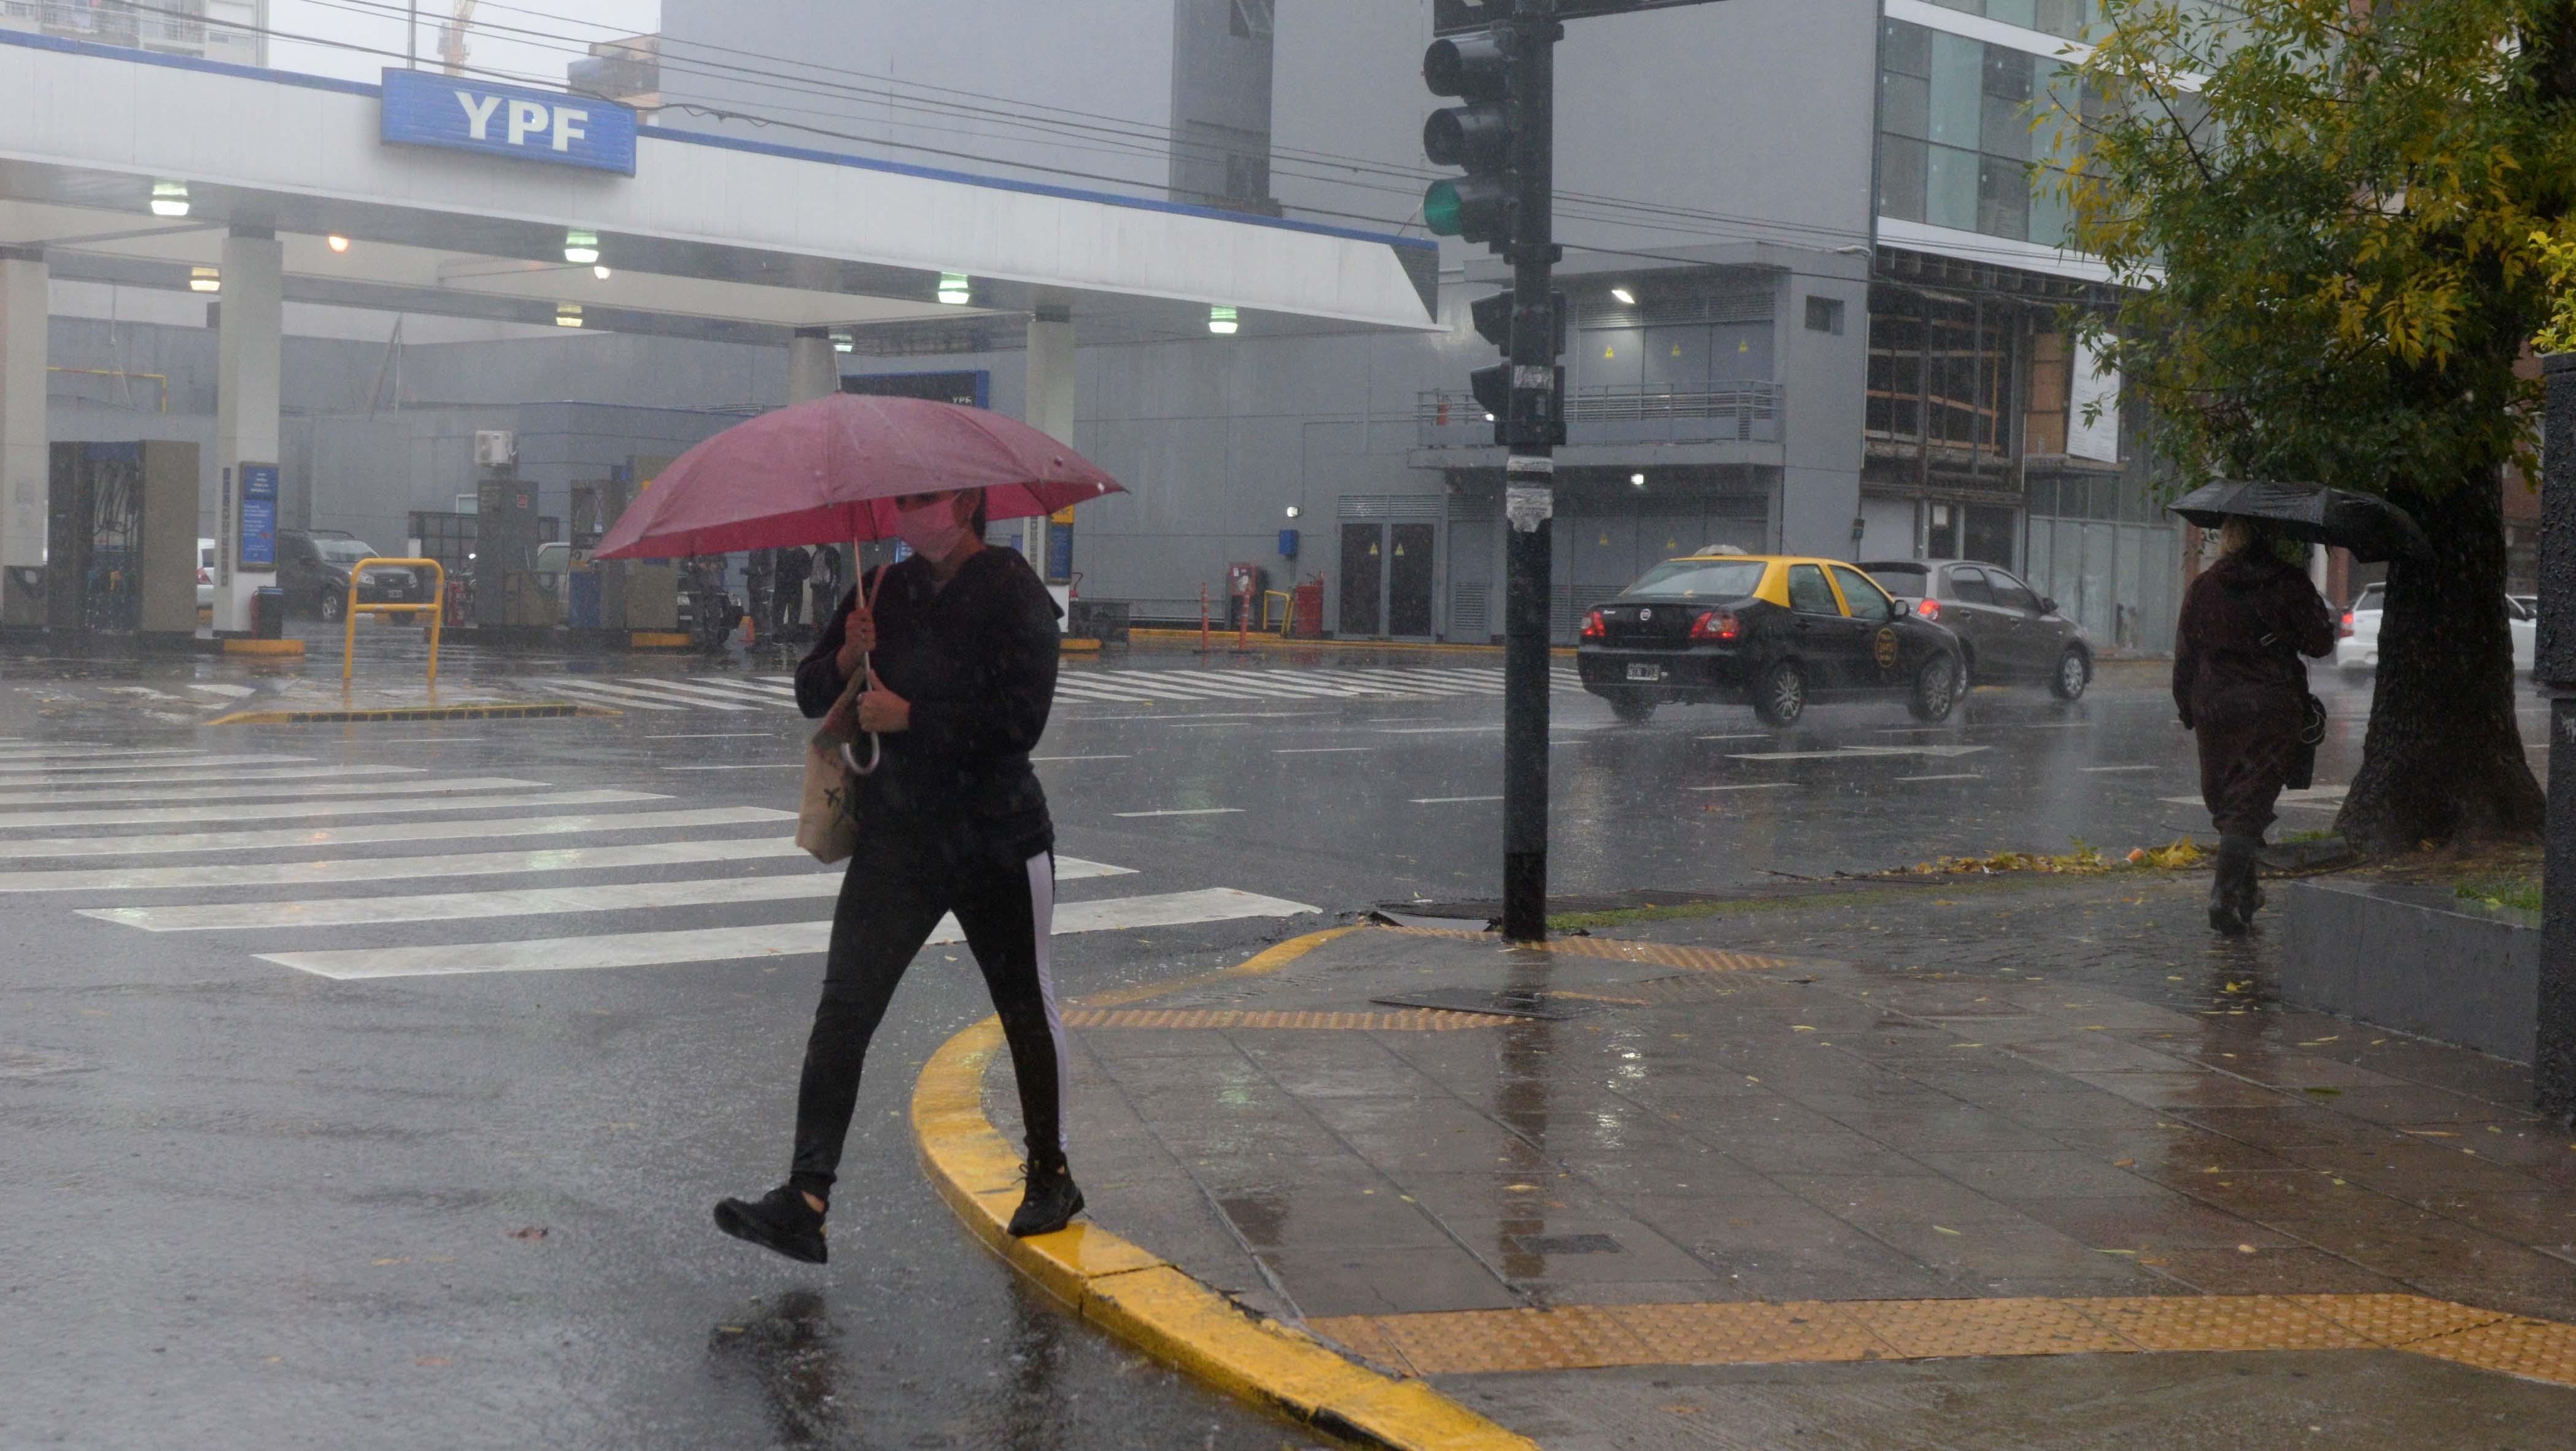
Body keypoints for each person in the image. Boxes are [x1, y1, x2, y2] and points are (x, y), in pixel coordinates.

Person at [715, 487, 1077, 1264]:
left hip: (998, 841)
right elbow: (812, 690)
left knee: (1024, 1008)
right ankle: (806, 1198)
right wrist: (848, 654)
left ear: (968, 502)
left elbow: (1023, 720)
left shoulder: (1015, 591)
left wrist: (915, 718)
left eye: (924, 499)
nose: (909, 514)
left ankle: (1050, 1171)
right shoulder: (881, 587)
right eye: (902, 500)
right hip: (900, 843)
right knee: (844, 1010)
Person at [2173, 517, 2334, 935]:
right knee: (2248, 801)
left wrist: (2186, 706)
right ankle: (2224, 897)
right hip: (2268, 704)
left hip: (2213, 703)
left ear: (2227, 536)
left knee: (2228, 799)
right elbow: (2319, 643)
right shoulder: (2287, 583)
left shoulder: (2204, 587)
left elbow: (2186, 652)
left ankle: (2243, 896)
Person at [773, 544, 812, 637]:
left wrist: (790, 574)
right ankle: (780, 635)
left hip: (791, 589)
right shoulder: (781, 552)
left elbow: (806, 573)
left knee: (791, 614)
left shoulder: (801, 554)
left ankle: (788, 635)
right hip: (786, 588)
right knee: (780, 613)